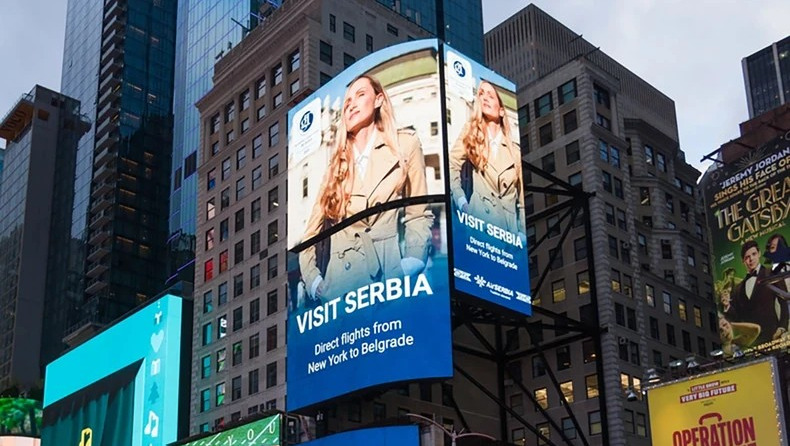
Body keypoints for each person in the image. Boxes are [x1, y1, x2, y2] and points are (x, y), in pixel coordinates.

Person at [297, 75, 433, 303]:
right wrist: (314, 283)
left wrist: (413, 260)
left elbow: (417, 211)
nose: (351, 104)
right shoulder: (335, 167)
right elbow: (310, 235)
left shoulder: (405, 145)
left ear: (378, 100)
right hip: (340, 286)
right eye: (347, 101)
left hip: (389, 276)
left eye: (360, 95)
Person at [449, 80, 524, 235]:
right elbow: (452, 164)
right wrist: (461, 200)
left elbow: (522, 200)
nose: (484, 98)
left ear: (502, 111)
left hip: (508, 234)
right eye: (481, 94)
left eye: (490, 95)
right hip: (479, 223)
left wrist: (522, 234)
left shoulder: (515, 152)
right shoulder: (471, 133)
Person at [730, 240, 789, 345]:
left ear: (759, 254)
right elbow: (737, 317)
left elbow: (783, 302)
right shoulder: (737, 289)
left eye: (753, 254)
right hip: (751, 343)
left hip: (773, 337)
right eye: (747, 257)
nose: (751, 259)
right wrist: (726, 306)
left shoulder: (772, 273)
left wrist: (782, 327)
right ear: (743, 261)